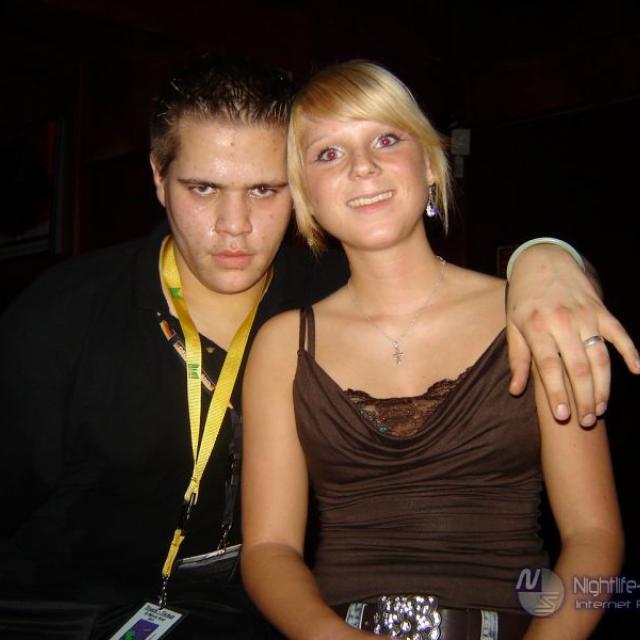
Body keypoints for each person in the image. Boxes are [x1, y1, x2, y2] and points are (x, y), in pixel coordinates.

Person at [0, 55, 634, 640]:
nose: (234, 227)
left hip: (235, 620)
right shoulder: (64, 316)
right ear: (159, 179)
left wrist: (548, 257)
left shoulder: (320, 289)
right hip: (60, 613)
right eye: (203, 189)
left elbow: (595, 537)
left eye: (264, 190)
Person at [240, 61, 625, 640]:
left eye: (385, 139)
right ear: (305, 194)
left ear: (427, 162)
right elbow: (268, 549)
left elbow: (595, 537)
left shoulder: (531, 313)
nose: (362, 167)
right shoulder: (282, 345)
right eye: (328, 153)